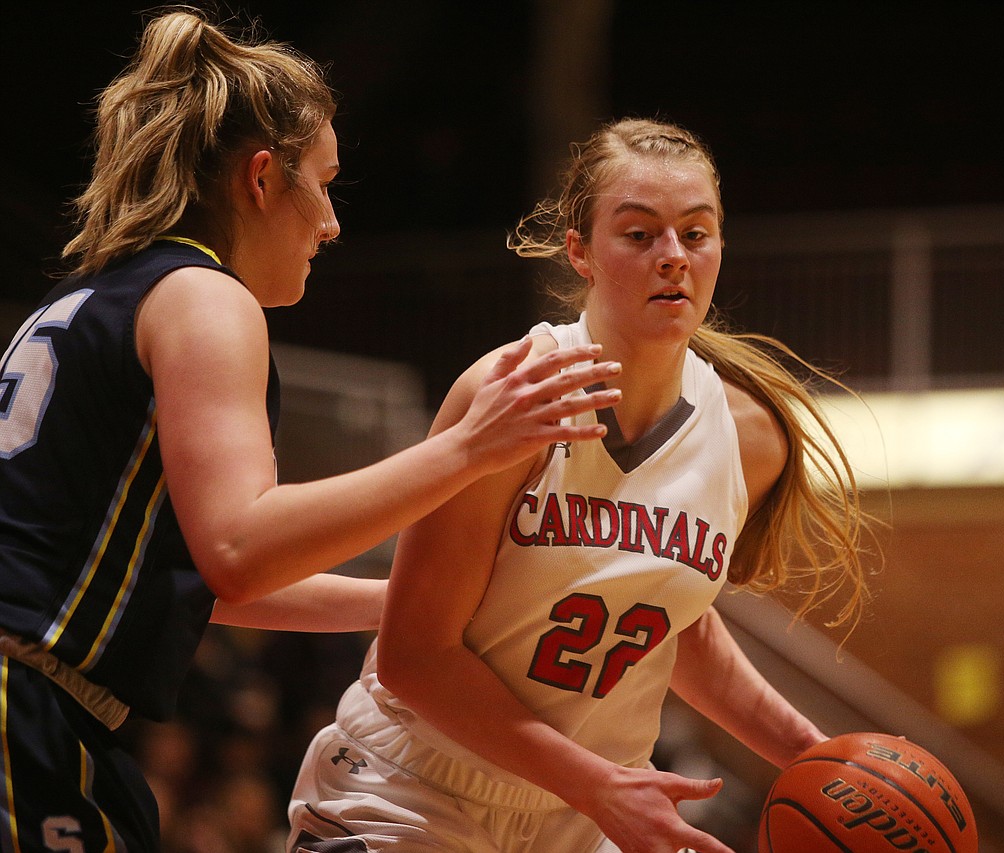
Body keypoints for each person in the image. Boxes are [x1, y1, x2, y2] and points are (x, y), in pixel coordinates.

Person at [0, 10, 621, 852]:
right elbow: (242, 546)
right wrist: (467, 447)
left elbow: (216, 580)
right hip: (20, 695)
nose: (330, 223)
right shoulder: (204, 296)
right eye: (323, 184)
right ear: (261, 179)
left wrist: (411, 609)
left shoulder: (92, 297)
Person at [286, 117, 870, 853]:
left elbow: (671, 619)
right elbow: (414, 656)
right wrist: (594, 782)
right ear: (580, 250)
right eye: (639, 234)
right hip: (414, 786)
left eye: (696, 233)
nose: (672, 257)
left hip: (584, 812)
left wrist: (817, 755)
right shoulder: (511, 390)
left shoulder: (750, 438)